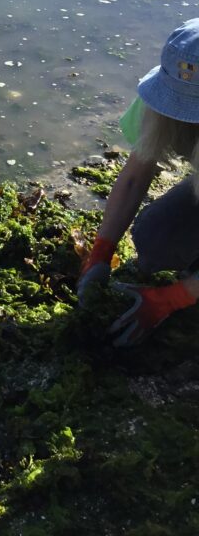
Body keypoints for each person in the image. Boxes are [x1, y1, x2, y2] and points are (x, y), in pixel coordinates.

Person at [78, 18, 199, 346]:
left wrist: (169, 299)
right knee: (154, 236)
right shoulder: (167, 88)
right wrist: (100, 253)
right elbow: (133, 177)